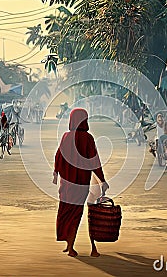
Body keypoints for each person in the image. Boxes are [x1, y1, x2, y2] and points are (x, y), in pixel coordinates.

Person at [53, 108, 109, 258]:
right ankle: (70, 246)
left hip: (65, 183)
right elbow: (94, 161)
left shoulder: (65, 136)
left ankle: (68, 244)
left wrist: (55, 173)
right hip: (80, 183)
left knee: (65, 211)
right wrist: (102, 180)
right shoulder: (88, 138)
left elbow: (58, 156)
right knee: (76, 213)